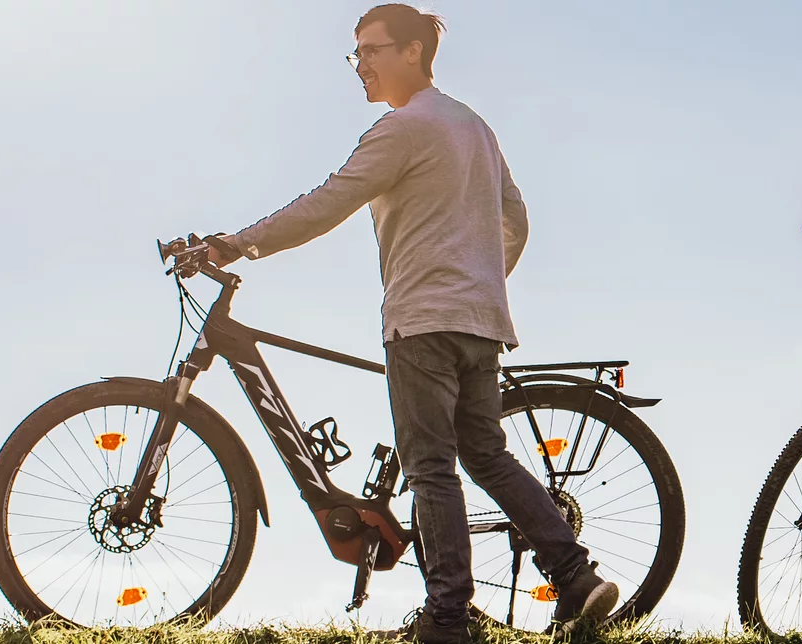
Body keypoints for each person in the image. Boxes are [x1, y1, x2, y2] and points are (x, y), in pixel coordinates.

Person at [204, 5, 616, 643]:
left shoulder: (403, 128)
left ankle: (447, 618)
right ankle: (575, 575)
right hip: (481, 323)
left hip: (423, 321)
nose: (360, 64)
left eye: (371, 50)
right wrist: (479, 283)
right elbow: (518, 220)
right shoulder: (472, 126)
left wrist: (238, 244)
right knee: (486, 454)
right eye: (357, 53)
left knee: (431, 468)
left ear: (414, 53)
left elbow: (326, 203)